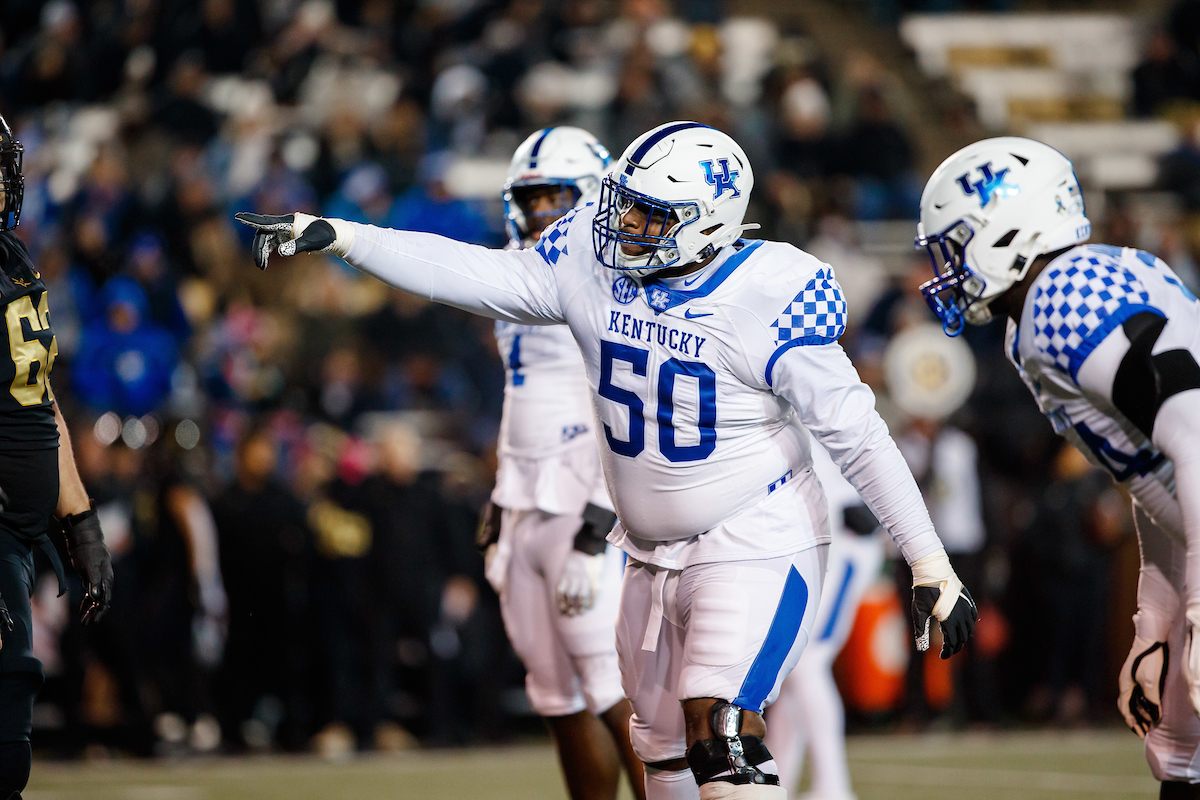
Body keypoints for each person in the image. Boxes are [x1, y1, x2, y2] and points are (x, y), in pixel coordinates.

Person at [238, 120, 976, 800]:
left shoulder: (770, 294)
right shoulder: (589, 260)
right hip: (647, 551)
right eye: (624, 203)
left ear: (708, 221)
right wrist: (342, 236)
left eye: (649, 214)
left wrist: (928, 562)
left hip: (755, 535)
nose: (621, 224)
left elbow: (859, 436)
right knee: (659, 750)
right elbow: (472, 274)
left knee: (718, 729)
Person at [914, 135, 1200, 798]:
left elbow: (1195, 430)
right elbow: (1153, 471)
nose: (948, 268)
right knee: (1177, 752)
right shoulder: (1050, 305)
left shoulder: (1063, 299)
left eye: (957, 245)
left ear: (1007, 232)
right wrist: (1155, 624)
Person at [474, 126, 645, 800]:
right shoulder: (516, 265)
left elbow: (625, 402)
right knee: (553, 692)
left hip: (583, 500)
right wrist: (501, 494)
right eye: (533, 197)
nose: (543, 210)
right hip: (526, 497)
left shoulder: (616, 275)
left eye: (557, 195)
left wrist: (600, 519)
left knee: (610, 686)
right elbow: (522, 394)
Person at [0, 114, 113, 799]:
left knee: (9, 737)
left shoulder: (13, 260)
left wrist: (80, 521)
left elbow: (39, 398)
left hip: (18, 535)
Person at [764, 436, 883, 800]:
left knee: (808, 663)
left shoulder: (812, 424)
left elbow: (857, 512)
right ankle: (779, 783)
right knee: (792, 672)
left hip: (841, 548)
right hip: (819, 549)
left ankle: (833, 786)